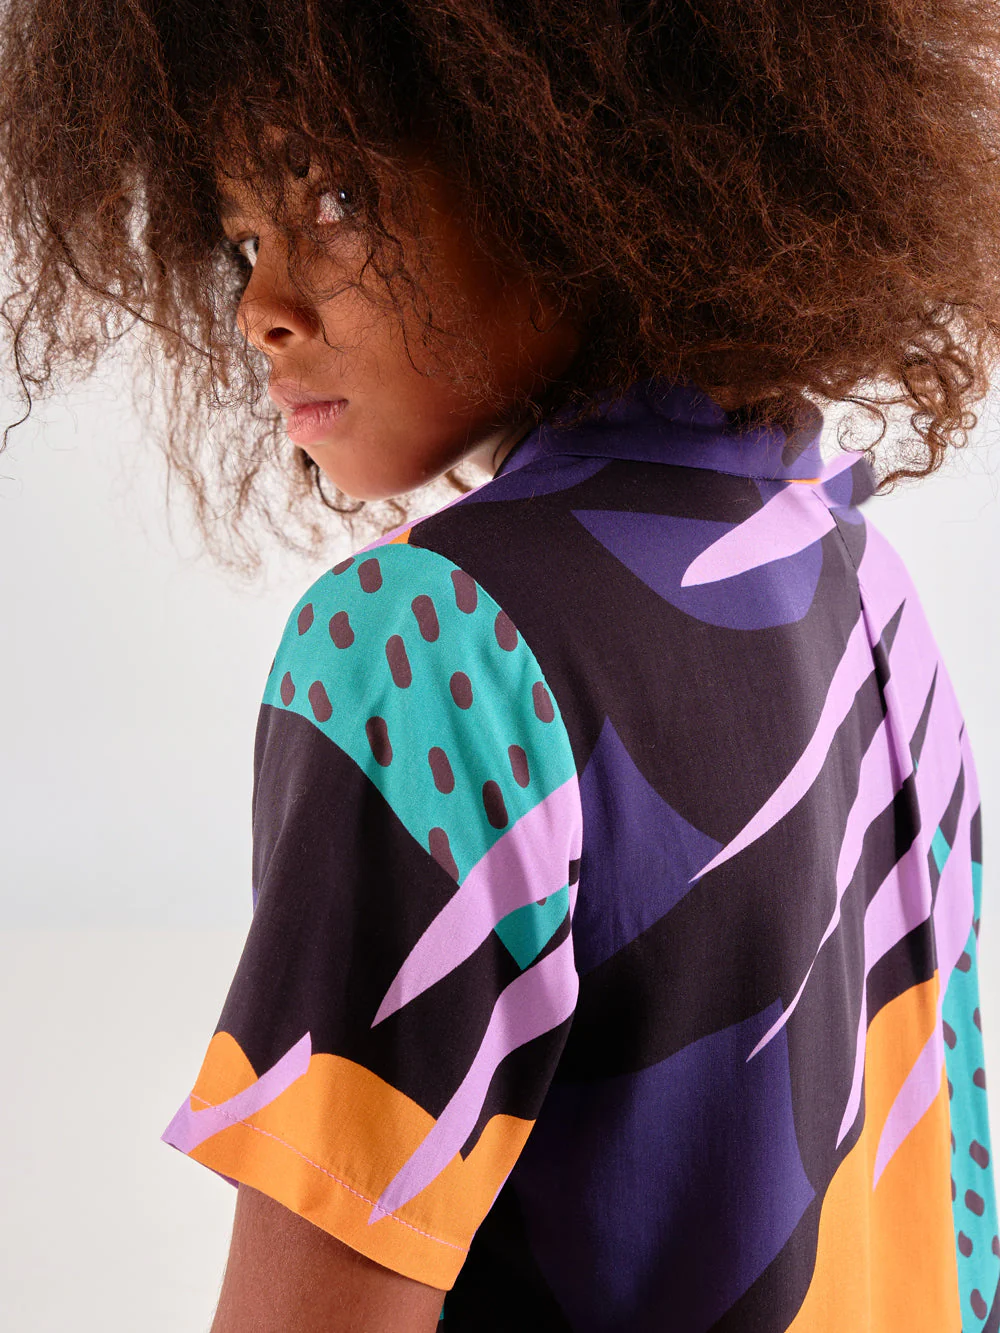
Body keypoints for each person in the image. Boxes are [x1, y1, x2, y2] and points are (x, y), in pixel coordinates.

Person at [2, 2, 1000, 1329]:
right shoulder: (857, 574)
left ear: (570, 152)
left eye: (336, 198)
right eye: (245, 238)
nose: (259, 306)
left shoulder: (426, 640)